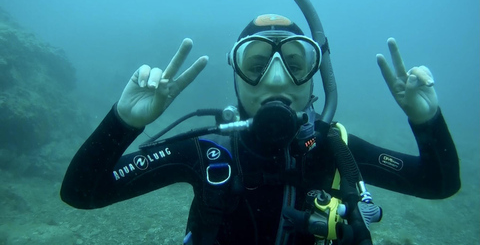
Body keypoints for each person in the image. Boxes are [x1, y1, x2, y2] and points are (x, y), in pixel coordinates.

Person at [60, 13, 460, 245]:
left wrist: (426, 121)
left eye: (294, 64)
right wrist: (124, 121)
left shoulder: (335, 149)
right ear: (236, 79)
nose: (276, 79)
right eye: (255, 66)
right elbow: (83, 192)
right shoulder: (208, 150)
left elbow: (437, 182)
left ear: (312, 79)